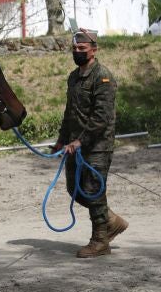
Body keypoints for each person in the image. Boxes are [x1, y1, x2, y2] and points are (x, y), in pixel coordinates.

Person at [51, 29, 128, 258]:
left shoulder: (103, 77)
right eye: (74, 49)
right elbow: (69, 113)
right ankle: (111, 221)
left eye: (82, 49)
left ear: (93, 50)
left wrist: (79, 141)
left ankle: (100, 241)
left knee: (93, 191)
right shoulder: (73, 77)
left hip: (97, 146)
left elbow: (101, 118)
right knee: (74, 189)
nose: (77, 52)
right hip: (75, 144)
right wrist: (61, 141)